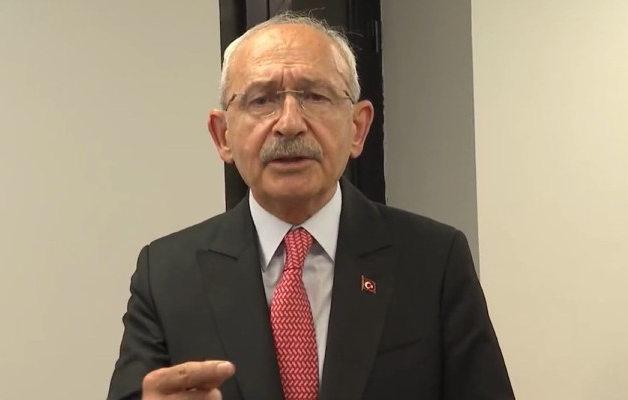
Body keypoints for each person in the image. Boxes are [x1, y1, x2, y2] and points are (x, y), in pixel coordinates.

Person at [107, 12, 514, 400]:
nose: (289, 124)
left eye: (315, 97)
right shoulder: (166, 275)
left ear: (357, 128)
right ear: (222, 135)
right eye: (261, 100)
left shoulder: (434, 260)